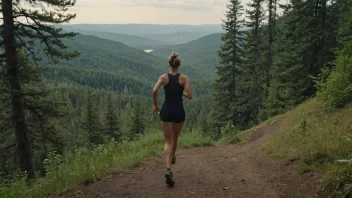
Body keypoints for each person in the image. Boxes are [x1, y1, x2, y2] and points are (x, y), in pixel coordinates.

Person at [152, 52, 192, 186]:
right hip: (179, 112)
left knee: (167, 141)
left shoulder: (163, 77)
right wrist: (182, 93)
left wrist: (156, 106)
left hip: (166, 111)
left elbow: (154, 91)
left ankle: (168, 169)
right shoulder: (184, 78)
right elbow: (190, 95)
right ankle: (172, 156)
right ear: (179, 65)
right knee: (175, 138)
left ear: (169, 64)